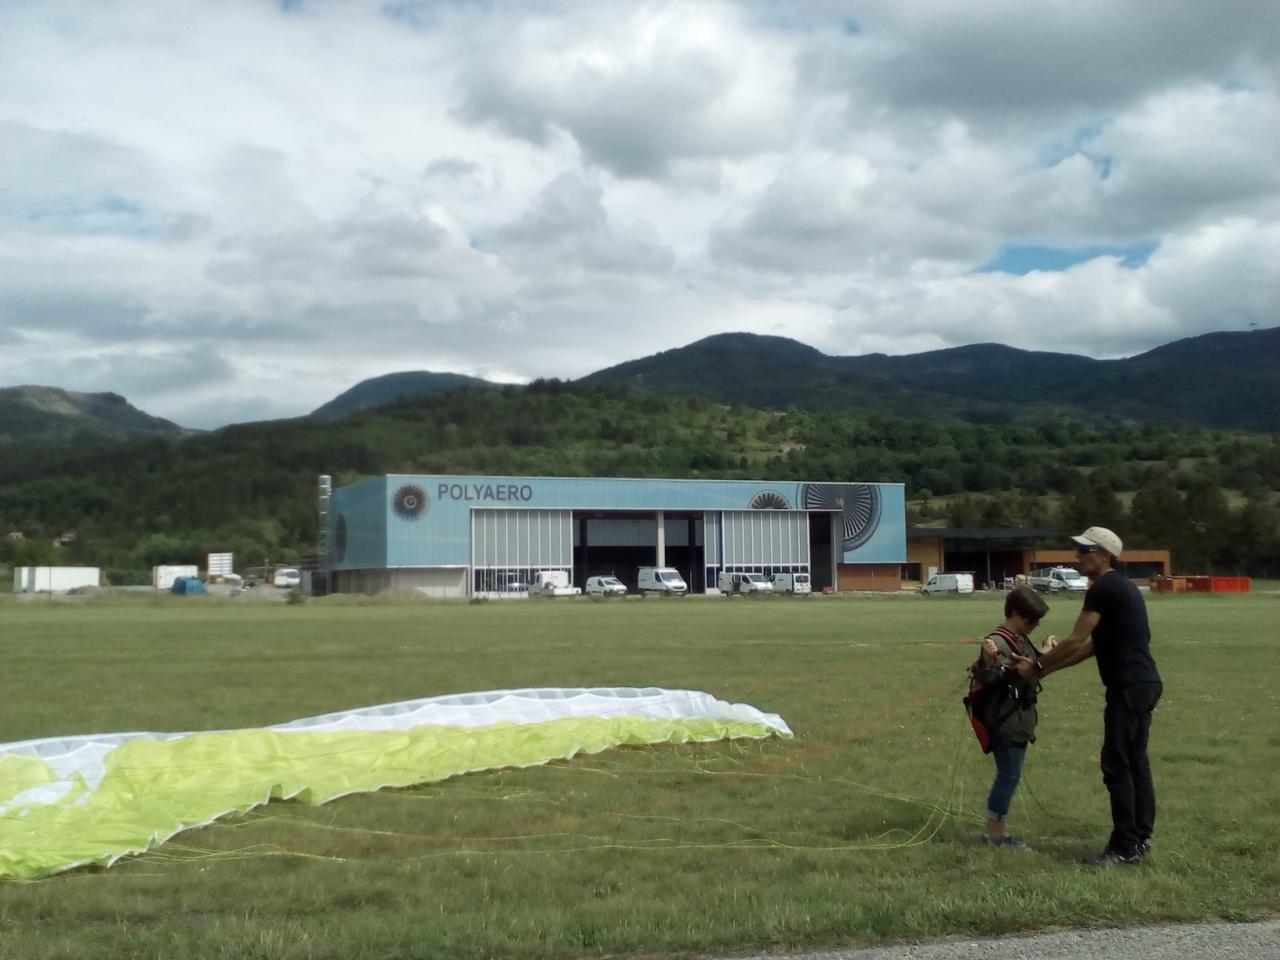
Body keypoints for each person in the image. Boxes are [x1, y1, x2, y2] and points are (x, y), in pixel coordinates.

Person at [1010, 526, 1163, 865]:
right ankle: (1140, 838)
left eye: (1084, 551)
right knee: (1136, 762)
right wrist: (1043, 670)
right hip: (1144, 683)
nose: (1077, 556)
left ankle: (1124, 849)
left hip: (1128, 687)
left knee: (1116, 764)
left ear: (1105, 555)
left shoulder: (1103, 587)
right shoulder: (1120, 588)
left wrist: (1035, 663)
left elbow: (1076, 640)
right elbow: (1093, 647)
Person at [971, 585, 1053, 849]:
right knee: (1008, 776)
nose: (1035, 625)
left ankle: (995, 832)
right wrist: (987, 660)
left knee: (1010, 775)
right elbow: (993, 676)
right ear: (1015, 613)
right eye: (1031, 620)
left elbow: (1028, 665)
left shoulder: (1019, 637)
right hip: (1005, 720)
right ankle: (995, 835)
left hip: (1019, 719)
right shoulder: (1000, 641)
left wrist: (1044, 653)